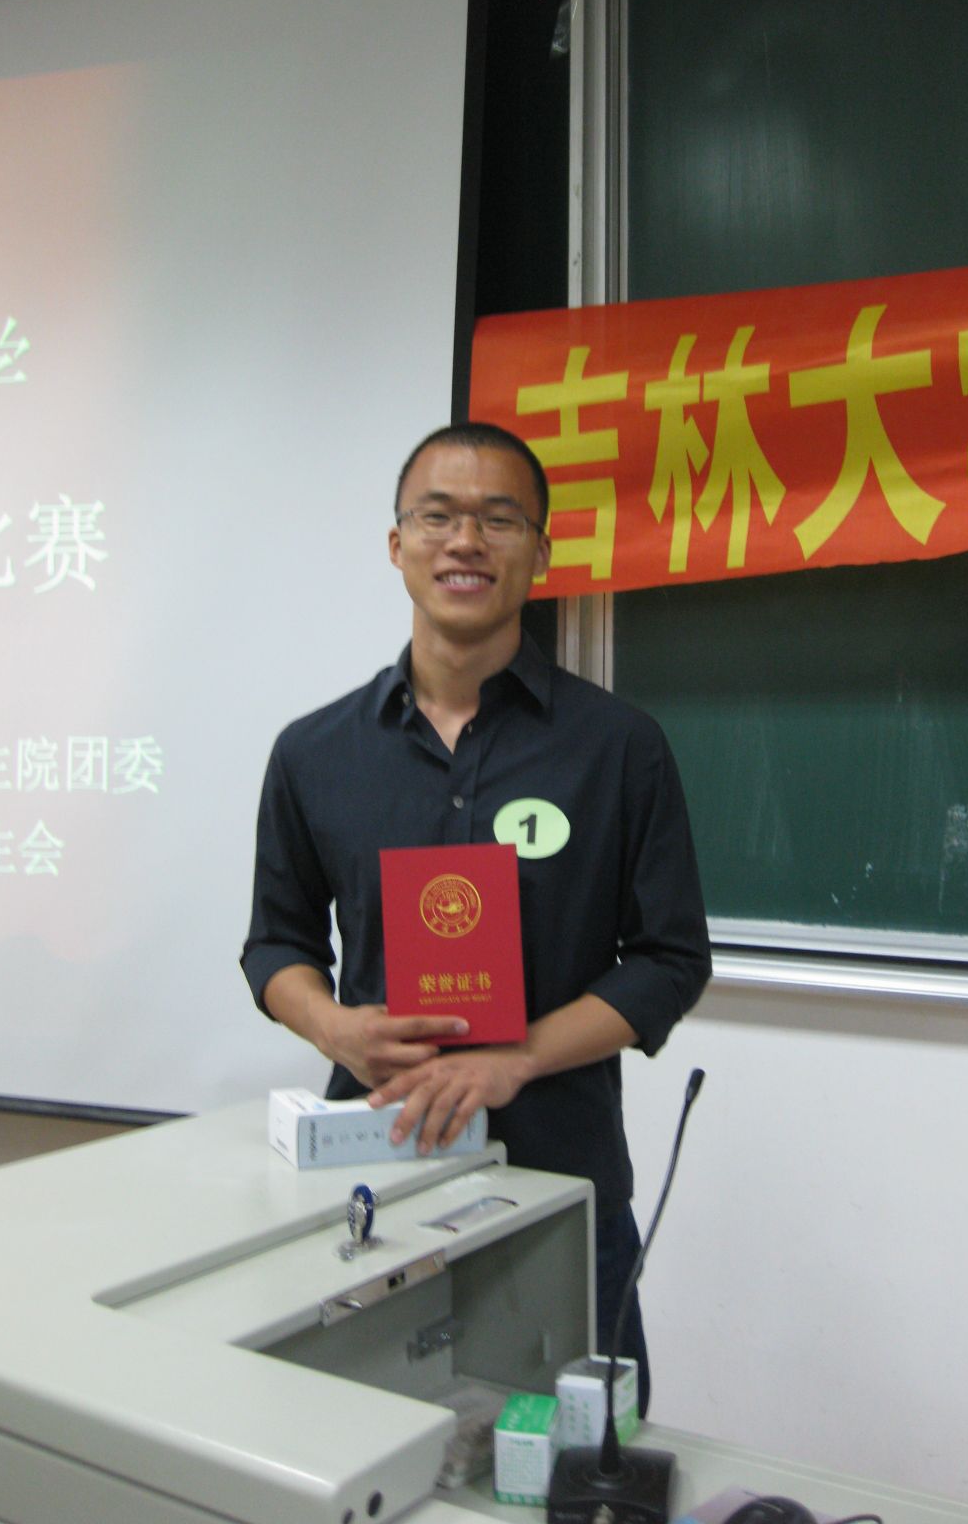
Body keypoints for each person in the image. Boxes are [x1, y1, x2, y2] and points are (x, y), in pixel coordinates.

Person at [241, 421, 711, 1411]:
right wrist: (334, 1027)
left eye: (499, 519)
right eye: (438, 516)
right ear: (397, 543)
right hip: (372, 1174)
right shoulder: (315, 751)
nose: (466, 541)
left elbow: (669, 959)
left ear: (540, 551)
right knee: (366, 1446)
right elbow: (277, 944)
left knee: (582, 1459)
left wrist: (517, 1057)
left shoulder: (618, 747)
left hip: (561, 1180)